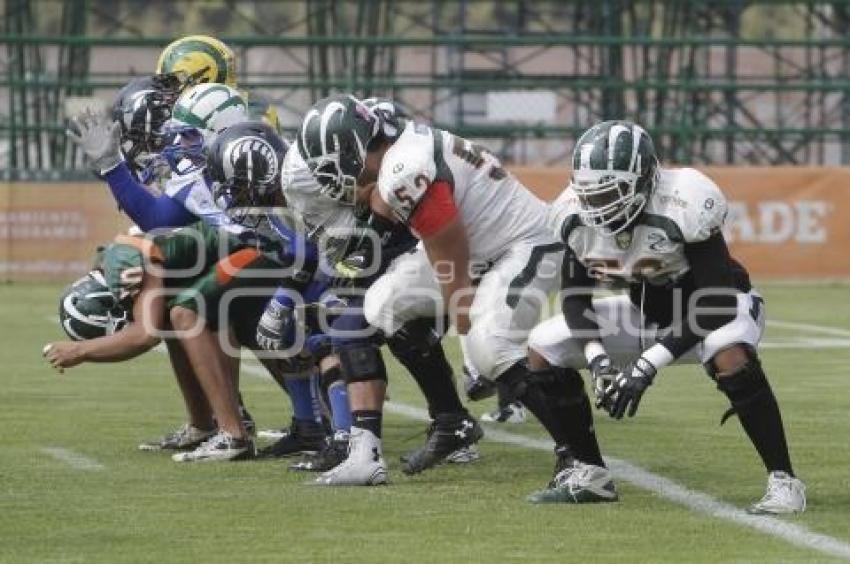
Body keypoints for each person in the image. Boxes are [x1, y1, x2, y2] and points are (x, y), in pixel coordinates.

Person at [517, 120, 805, 514]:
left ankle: (784, 481)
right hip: (645, 314)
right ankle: (590, 474)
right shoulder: (572, 215)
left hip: (716, 309)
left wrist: (647, 365)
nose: (601, 208)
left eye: (612, 194)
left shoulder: (684, 200)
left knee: (729, 352)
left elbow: (717, 301)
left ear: (645, 178)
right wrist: (598, 359)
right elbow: (575, 300)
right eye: (592, 196)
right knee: (542, 346)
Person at [297, 94, 563, 485]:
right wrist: (353, 269)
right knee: (377, 305)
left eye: (325, 165)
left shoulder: (404, 166)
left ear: (349, 149)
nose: (325, 178)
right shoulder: (398, 153)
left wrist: (466, 330)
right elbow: (384, 213)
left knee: (489, 351)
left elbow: (451, 253)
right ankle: (398, 441)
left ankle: (576, 452)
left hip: (524, 245)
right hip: (481, 248)